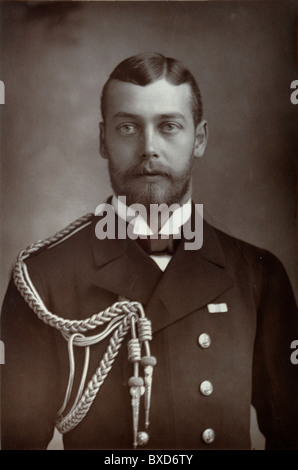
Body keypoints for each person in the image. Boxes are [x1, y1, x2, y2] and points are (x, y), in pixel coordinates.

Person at [1, 52, 298, 451]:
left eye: (170, 126)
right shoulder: (40, 281)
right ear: (103, 140)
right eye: (128, 127)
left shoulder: (259, 275)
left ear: (201, 139)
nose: (149, 148)